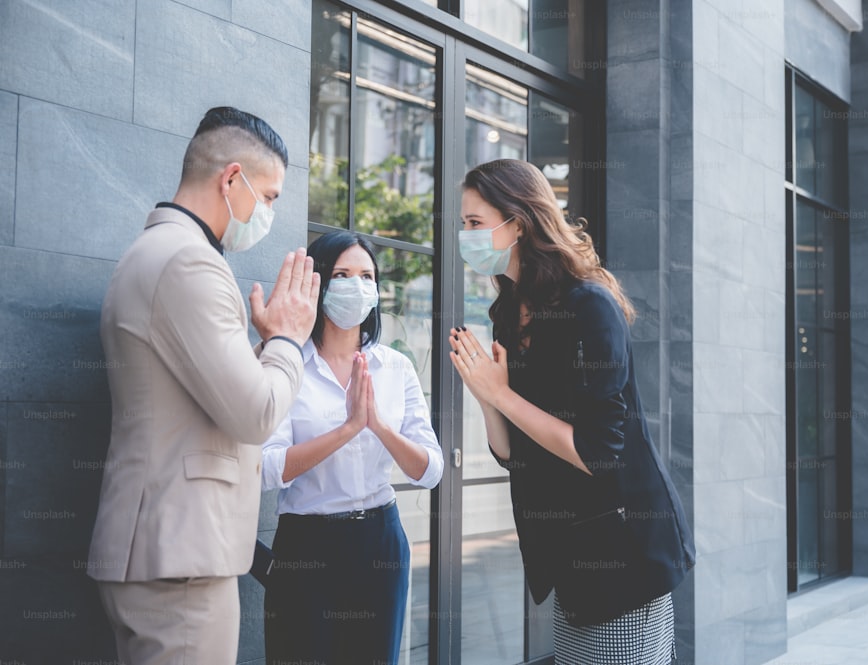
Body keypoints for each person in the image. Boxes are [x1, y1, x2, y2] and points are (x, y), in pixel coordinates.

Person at [87, 106, 319, 664]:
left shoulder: (153, 252)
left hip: (158, 549)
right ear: (231, 179)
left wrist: (264, 348)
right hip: (182, 558)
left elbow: (200, 390)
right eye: (269, 196)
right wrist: (289, 340)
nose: (267, 212)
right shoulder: (192, 263)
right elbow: (257, 414)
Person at [448, 159, 696, 664]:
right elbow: (512, 453)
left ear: (517, 222)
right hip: (567, 555)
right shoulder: (507, 312)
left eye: (475, 222)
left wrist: (502, 396)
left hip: (623, 553)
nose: (465, 235)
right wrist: (486, 396)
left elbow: (598, 451)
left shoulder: (589, 305)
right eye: (463, 223)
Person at [261, 229, 444, 665]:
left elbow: (431, 470)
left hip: (379, 541)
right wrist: (347, 429)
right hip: (308, 546)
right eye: (342, 274)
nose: (357, 286)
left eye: (367, 276)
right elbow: (266, 469)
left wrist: (377, 425)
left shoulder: (395, 367)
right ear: (318, 282)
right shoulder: (286, 364)